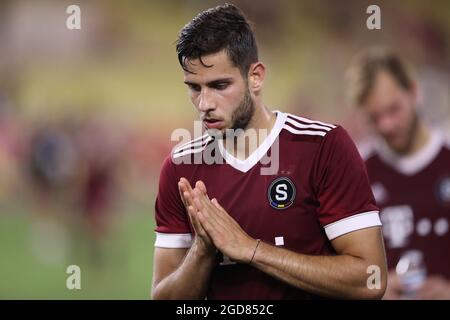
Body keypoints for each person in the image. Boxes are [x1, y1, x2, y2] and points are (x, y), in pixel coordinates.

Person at [151, 4, 387, 300]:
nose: (204, 103)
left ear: (255, 77)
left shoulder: (323, 147)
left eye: (219, 85)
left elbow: (371, 280)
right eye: (194, 88)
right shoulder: (181, 168)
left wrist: (252, 250)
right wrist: (202, 250)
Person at [346, 47, 450, 299]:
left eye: (394, 110)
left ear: (414, 92)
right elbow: (342, 263)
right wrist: (374, 287)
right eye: (375, 117)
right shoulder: (357, 171)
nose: (387, 125)